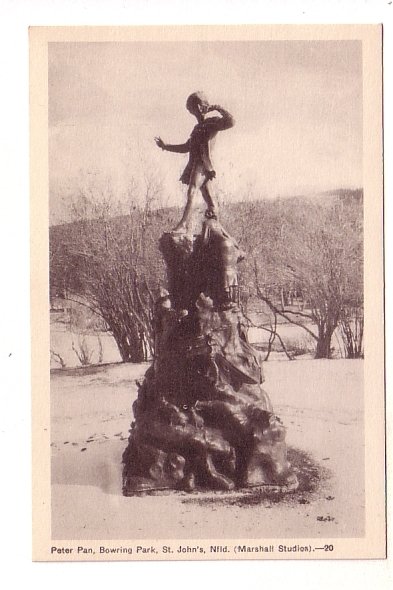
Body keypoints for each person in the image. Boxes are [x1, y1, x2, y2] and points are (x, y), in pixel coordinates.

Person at [155, 92, 235, 233]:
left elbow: (231, 121)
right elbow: (185, 147)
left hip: (203, 166)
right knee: (211, 203)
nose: (192, 112)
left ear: (199, 107)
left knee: (192, 190)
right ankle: (215, 230)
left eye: (192, 109)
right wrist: (165, 146)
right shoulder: (196, 129)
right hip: (196, 166)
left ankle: (184, 224)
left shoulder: (212, 122)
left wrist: (217, 107)